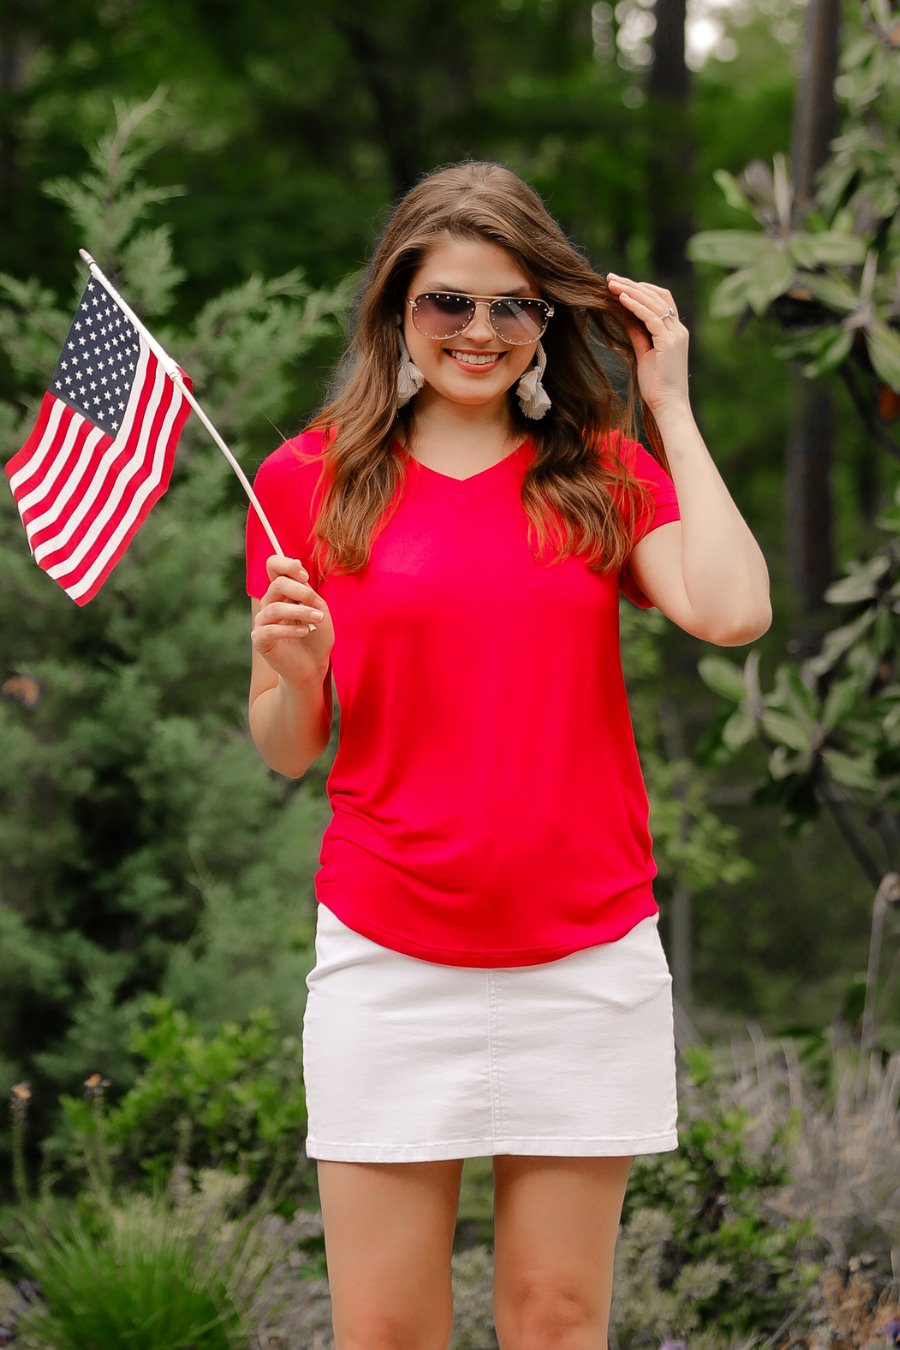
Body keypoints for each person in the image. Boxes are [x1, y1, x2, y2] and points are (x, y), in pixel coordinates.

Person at [244, 160, 771, 1350]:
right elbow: (286, 748)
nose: (478, 332)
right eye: (448, 302)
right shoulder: (303, 483)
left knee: (557, 1317)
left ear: (546, 321)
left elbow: (735, 612)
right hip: (387, 953)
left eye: (512, 305)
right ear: (396, 310)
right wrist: (294, 667)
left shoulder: (600, 475)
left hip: (584, 954)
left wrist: (669, 405)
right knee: (384, 1333)